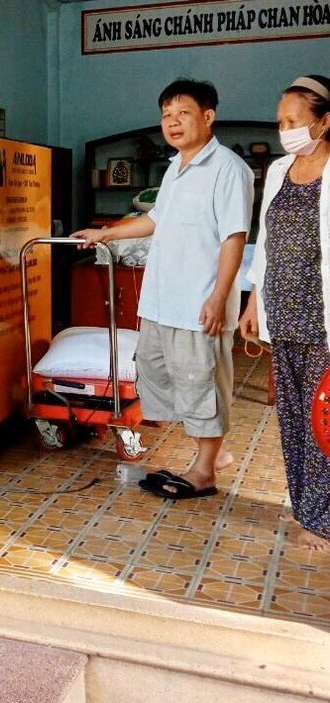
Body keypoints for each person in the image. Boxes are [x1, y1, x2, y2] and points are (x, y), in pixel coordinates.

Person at [72, 78, 254, 500]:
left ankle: (205, 469)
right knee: (164, 375)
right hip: (162, 299)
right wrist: (106, 234)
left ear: (208, 117)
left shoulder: (228, 168)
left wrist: (218, 296)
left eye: (183, 113)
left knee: (201, 381)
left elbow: (234, 237)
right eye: (166, 115)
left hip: (198, 300)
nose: (172, 123)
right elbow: (156, 220)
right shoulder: (177, 166)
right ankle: (213, 452)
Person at [240, 75, 330, 550]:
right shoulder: (277, 171)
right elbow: (265, 246)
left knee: (325, 417)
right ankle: (308, 509)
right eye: (281, 122)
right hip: (282, 308)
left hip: (322, 315)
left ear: (325, 121)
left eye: (294, 121)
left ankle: (323, 519)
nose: (286, 130)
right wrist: (253, 302)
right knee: (294, 417)